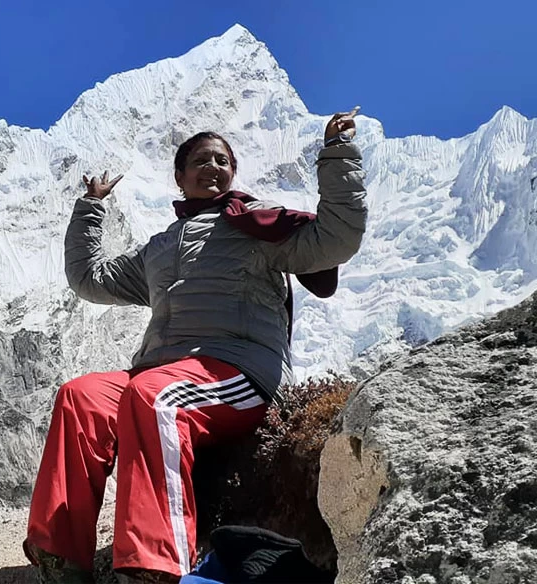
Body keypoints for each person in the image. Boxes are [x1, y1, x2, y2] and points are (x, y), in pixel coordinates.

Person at [23, 110, 367, 584]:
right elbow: (89, 279)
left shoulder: (259, 231)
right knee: (80, 397)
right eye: (201, 160)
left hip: (238, 370)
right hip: (163, 372)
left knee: (156, 398)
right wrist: (90, 209)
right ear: (180, 176)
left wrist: (337, 153)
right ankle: (61, 557)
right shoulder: (159, 248)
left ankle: (154, 566)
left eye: (223, 160)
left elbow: (337, 238)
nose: (213, 167)